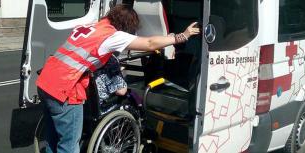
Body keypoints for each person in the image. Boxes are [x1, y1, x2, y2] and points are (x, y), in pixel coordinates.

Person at [36, 4, 200, 153]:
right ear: (127, 25)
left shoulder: (89, 26)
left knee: (53, 140)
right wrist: (181, 36)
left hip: (45, 82)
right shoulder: (112, 36)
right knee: (69, 146)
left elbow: (82, 55)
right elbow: (149, 43)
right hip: (64, 89)